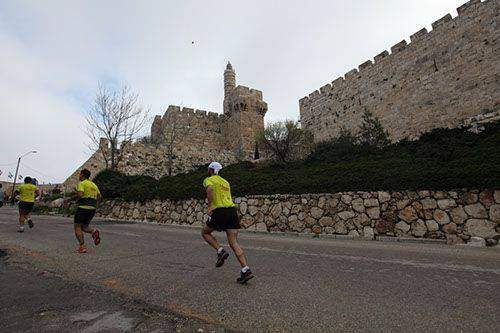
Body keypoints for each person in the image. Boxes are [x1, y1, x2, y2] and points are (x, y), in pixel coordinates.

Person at [201, 161, 254, 283]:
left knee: (205, 232)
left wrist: (210, 206)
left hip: (219, 211)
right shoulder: (226, 182)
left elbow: (209, 190)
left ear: (211, 170)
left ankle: (220, 251)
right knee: (233, 242)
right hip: (231, 211)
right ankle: (246, 269)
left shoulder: (209, 180)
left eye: (208, 169)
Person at [73, 169, 101, 254]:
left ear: (82, 175)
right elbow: (99, 196)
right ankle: (94, 232)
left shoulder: (82, 183)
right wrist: (96, 205)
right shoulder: (94, 185)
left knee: (77, 227)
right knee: (84, 227)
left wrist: (75, 200)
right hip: (92, 209)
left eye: (80, 174)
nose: (79, 176)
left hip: (82, 208)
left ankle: (82, 247)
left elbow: (80, 194)